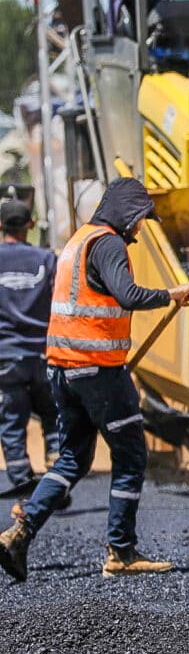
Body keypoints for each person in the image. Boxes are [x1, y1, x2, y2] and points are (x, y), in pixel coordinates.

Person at [0, 178, 189, 582]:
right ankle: (121, 551)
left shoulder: (78, 240)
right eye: (141, 219)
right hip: (98, 373)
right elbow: (127, 294)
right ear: (127, 212)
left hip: (63, 370)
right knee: (131, 456)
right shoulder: (108, 243)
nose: (141, 228)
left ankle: (18, 533)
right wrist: (171, 295)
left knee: (73, 459)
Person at [0, 200, 60, 498]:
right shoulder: (47, 259)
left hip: (6, 355)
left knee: (12, 419)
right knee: (52, 413)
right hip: (42, 352)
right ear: (31, 226)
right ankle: (56, 478)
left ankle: (23, 483)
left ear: (0, 226)